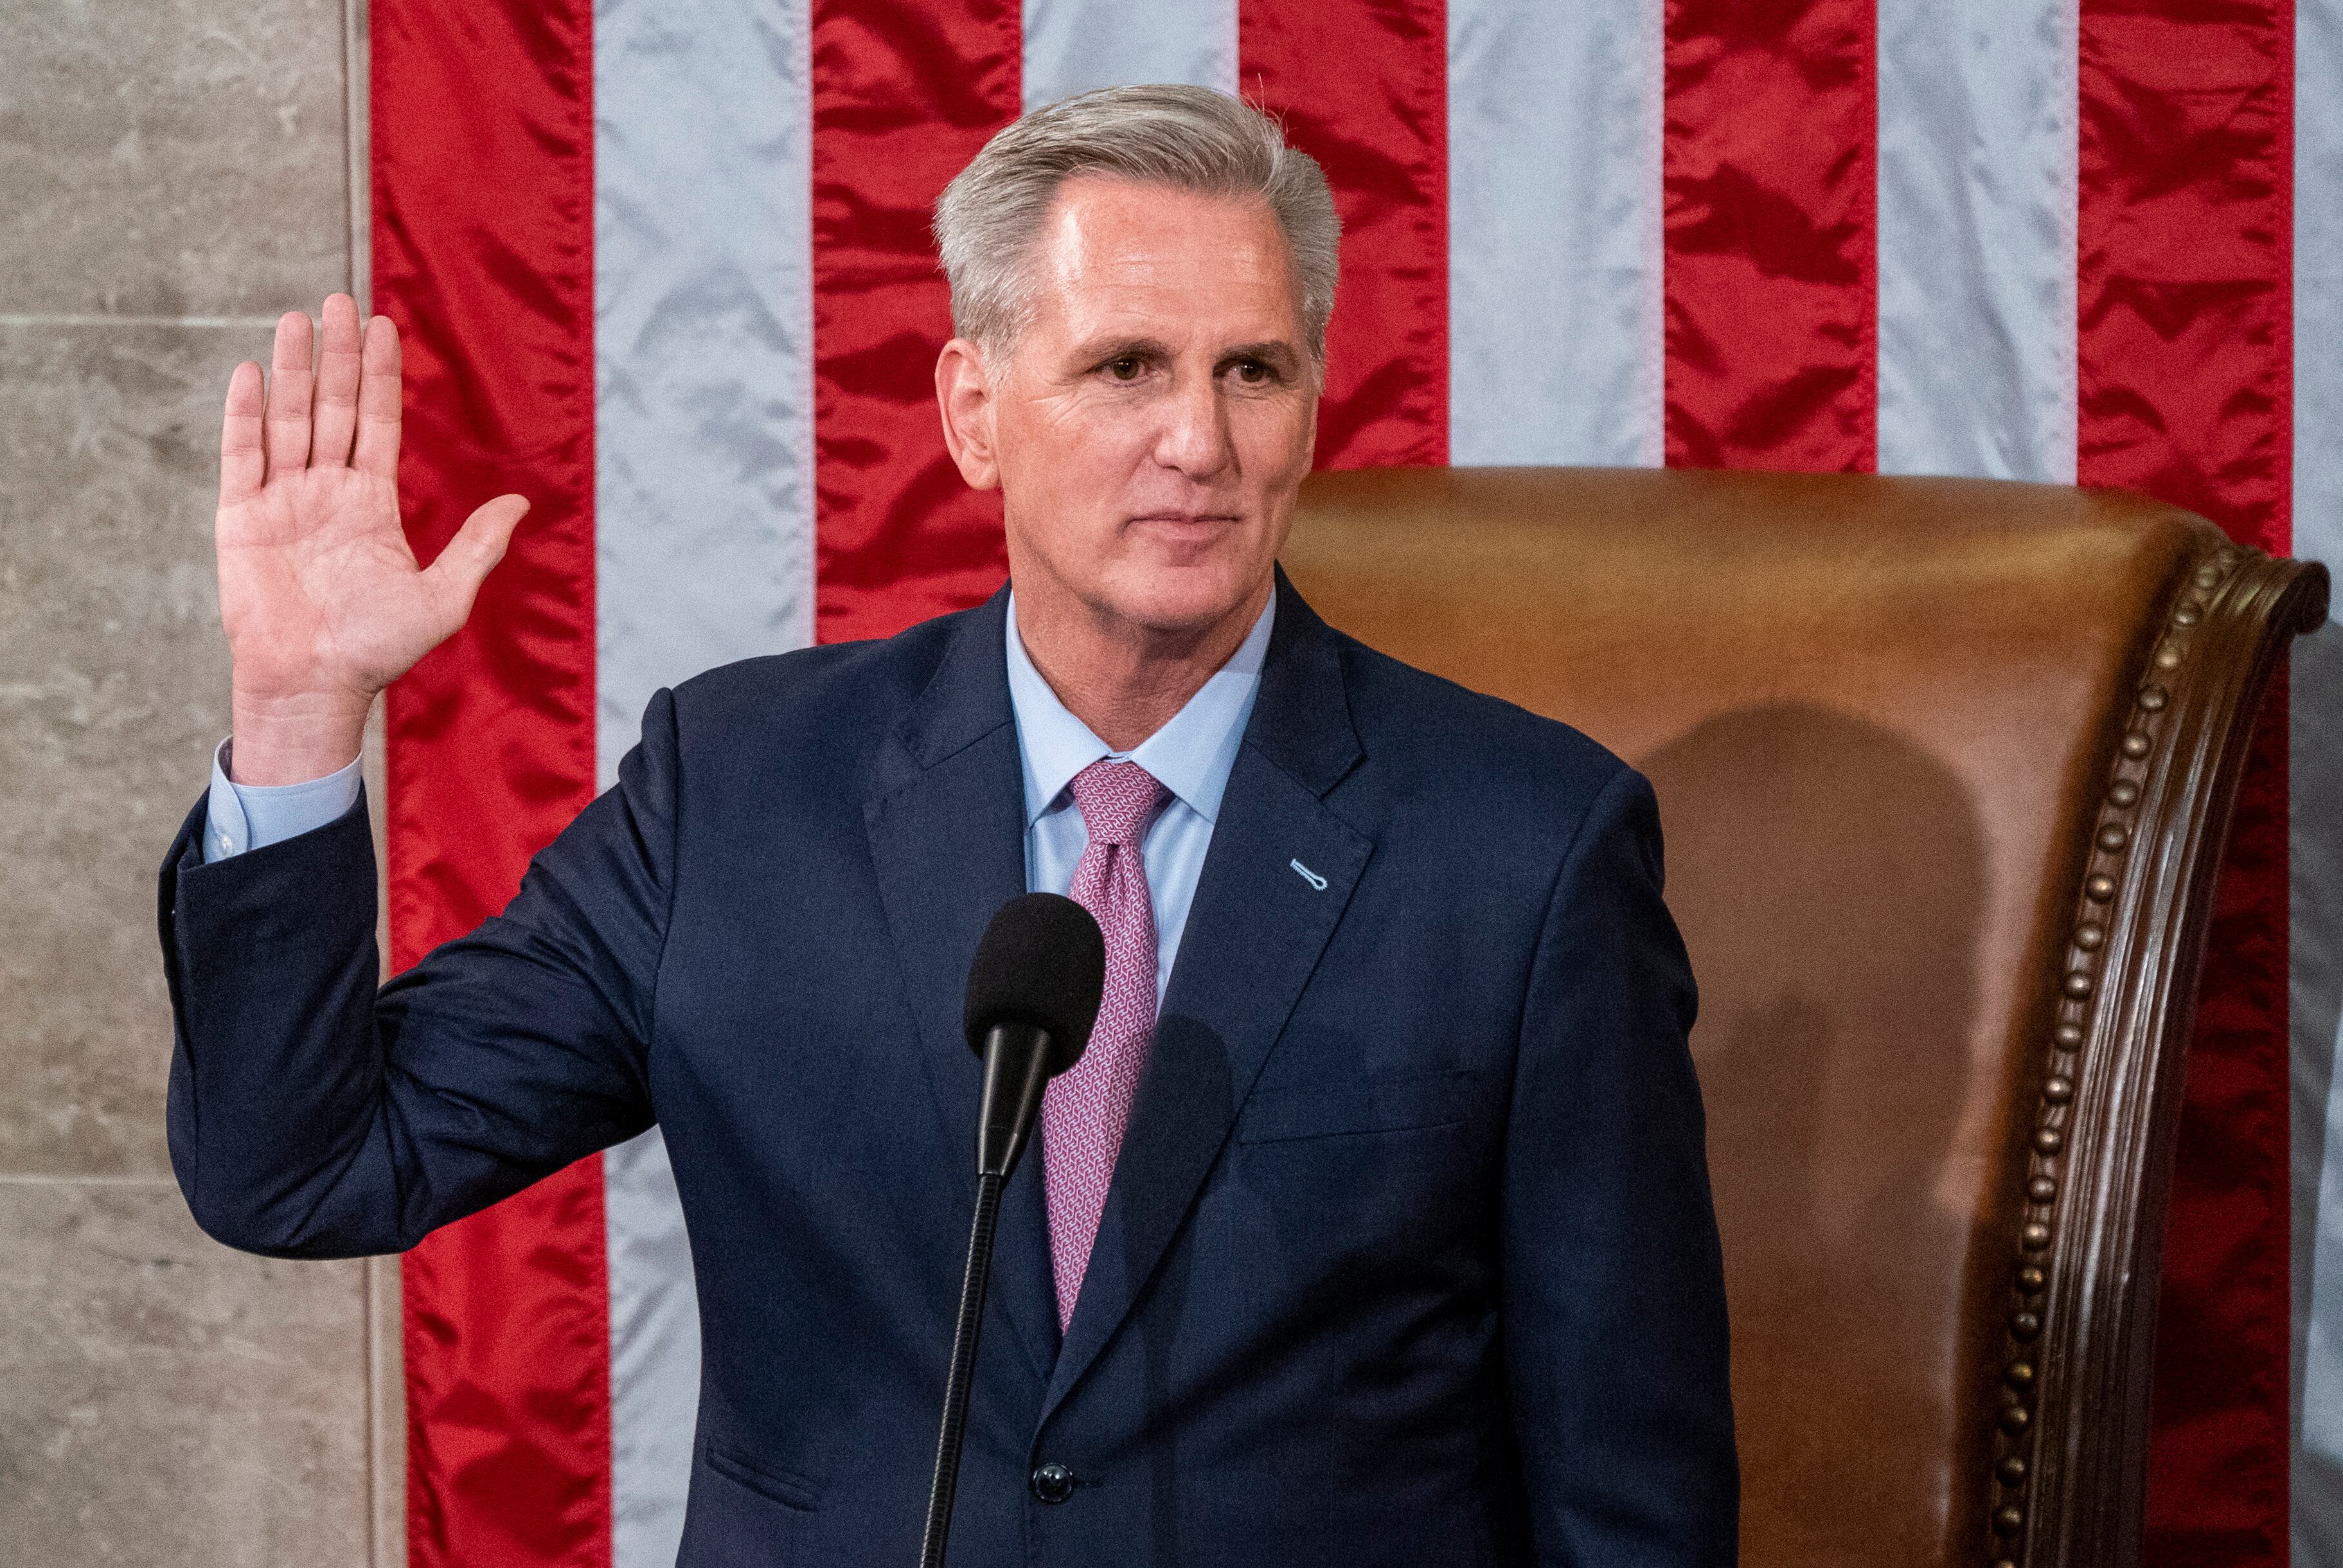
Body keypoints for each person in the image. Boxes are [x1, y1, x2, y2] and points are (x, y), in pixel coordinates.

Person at [160, 84, 1736, 1564]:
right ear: (974, 412)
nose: (1200, 440)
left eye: (1251, 368)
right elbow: (305, 1166)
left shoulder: (1524, 849)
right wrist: (299, 715)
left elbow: (1629, 1485)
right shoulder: (742, 786)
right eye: (1127, 366)